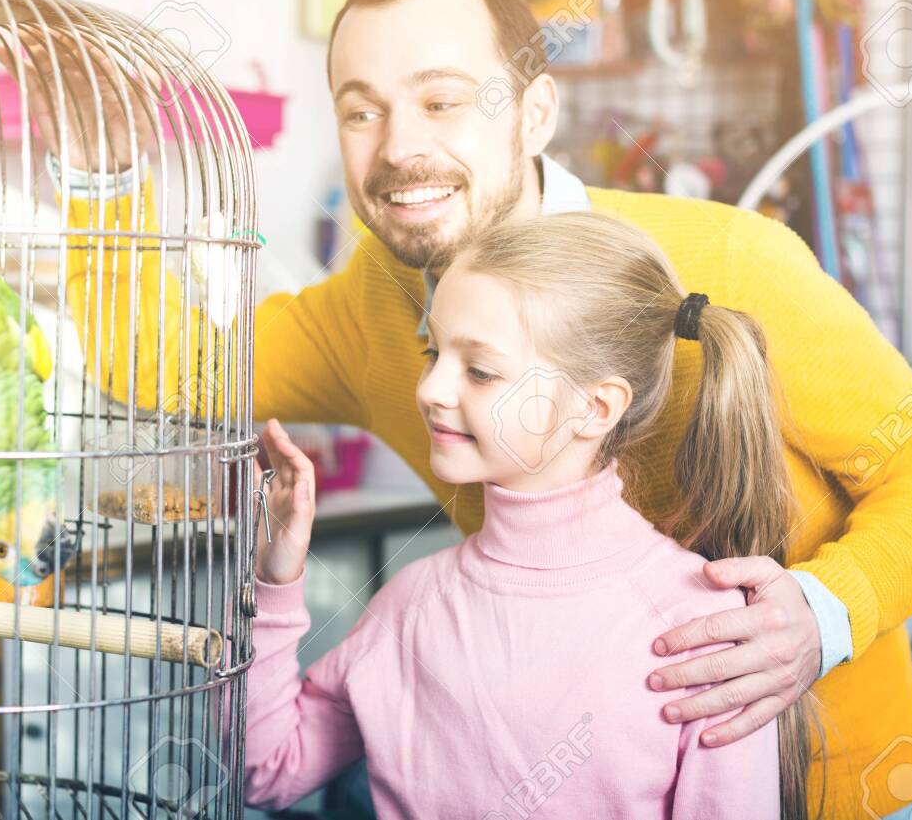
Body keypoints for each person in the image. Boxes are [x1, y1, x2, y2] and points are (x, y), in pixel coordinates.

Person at [14, 0, 912, 816]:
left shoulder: (730, 261)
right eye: (361, 109)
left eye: (442, 101)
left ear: (534, 113)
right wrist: (106, 174)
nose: (398, 146)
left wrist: (822, 615)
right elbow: (161, 364)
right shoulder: (374, 299)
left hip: (834, 790)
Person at [243, 211, 805, 818]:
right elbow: (266, 775)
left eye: (480, 371)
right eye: (433, 352)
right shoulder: (409, 604)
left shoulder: (708, 633)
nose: (431, 388)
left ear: (594, 408)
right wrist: (276, 581)